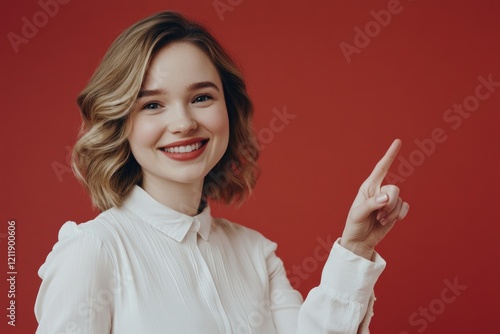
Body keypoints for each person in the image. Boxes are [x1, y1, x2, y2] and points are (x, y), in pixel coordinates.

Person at [34, 11, 409, 334]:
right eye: (152, 104)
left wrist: (357, 246)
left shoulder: (254, 253)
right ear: (120, 121)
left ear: (227, 108)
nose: (182, 123)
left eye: (201, 98)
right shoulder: (93, 251)